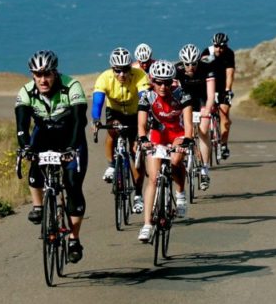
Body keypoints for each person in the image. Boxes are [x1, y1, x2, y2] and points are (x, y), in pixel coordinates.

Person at [15, 50, 89, 263]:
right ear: (32, 75)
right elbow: (21, 125)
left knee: (73, 185)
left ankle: (74, 239)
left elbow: (78, 121)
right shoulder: (26, 92)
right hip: (44, 134)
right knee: (34, 164)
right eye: (38, 75)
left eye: (47, 74)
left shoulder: (71, 86)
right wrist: (25, 146)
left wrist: (72, 148)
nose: (43, 79)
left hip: (70, 136)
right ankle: (38, 206)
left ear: (55, 73)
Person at [136, 59, 194, 242]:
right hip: (157, 135)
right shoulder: (147, 96)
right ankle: (146, 224)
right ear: (152, 81)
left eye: (167, 82)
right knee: (153, 179)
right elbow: (142, 123)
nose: (163, 86)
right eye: (159, 82)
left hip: (177, 133)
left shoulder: (182, 94)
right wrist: (143, 139)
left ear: (173, 81)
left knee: (176, 161)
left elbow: (189, 124)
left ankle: (180, 193)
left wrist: (187, 141)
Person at [91, 47, 150, 213]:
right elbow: (97, 102)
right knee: (112, 129)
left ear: (131, 67)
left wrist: (146, 123)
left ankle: (138, 195)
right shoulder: (104, 78)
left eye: (125, 70)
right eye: (118, 71)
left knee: (137, 153)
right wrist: (96, 119)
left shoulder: (139, 76)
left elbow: (145, 98)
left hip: (135, 113)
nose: (122, 75)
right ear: (112, 69)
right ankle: (111, 165)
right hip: (115, 113)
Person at [176, 43, 216, 190]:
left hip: (202, 101)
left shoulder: (206, 68)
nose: (190, 67)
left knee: (204, 130)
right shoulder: (177, 70)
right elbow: (173, 94)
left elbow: (211, 95)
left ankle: (205, 169)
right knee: (187, 133)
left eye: (194, 63)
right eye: (187, 64)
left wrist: (208, 110)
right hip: (185, 103)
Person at [202, 32, 236, 160]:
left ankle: (223, 144)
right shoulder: (207, 52)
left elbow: (230, 73)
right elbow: (201, 70)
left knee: (224, 116)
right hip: (209, 86)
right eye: (217, 46)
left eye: (222, 47)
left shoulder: (229, 54)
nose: (219, 49)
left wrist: (228, 90)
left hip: (222, 88)